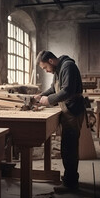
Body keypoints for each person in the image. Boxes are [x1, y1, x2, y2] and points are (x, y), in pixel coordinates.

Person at [34, 50, 85, 190]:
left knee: (69, 148)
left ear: (50, 61)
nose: (46, 71)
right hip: (67, 108)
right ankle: (70, 179)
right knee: (67, 146)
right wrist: (40, 96)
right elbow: (53, 88)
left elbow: (67, 91)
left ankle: (71, 183)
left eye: (45, 68)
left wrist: (48, 100)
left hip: (73, 110)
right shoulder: (58, 68)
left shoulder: (68, 66)